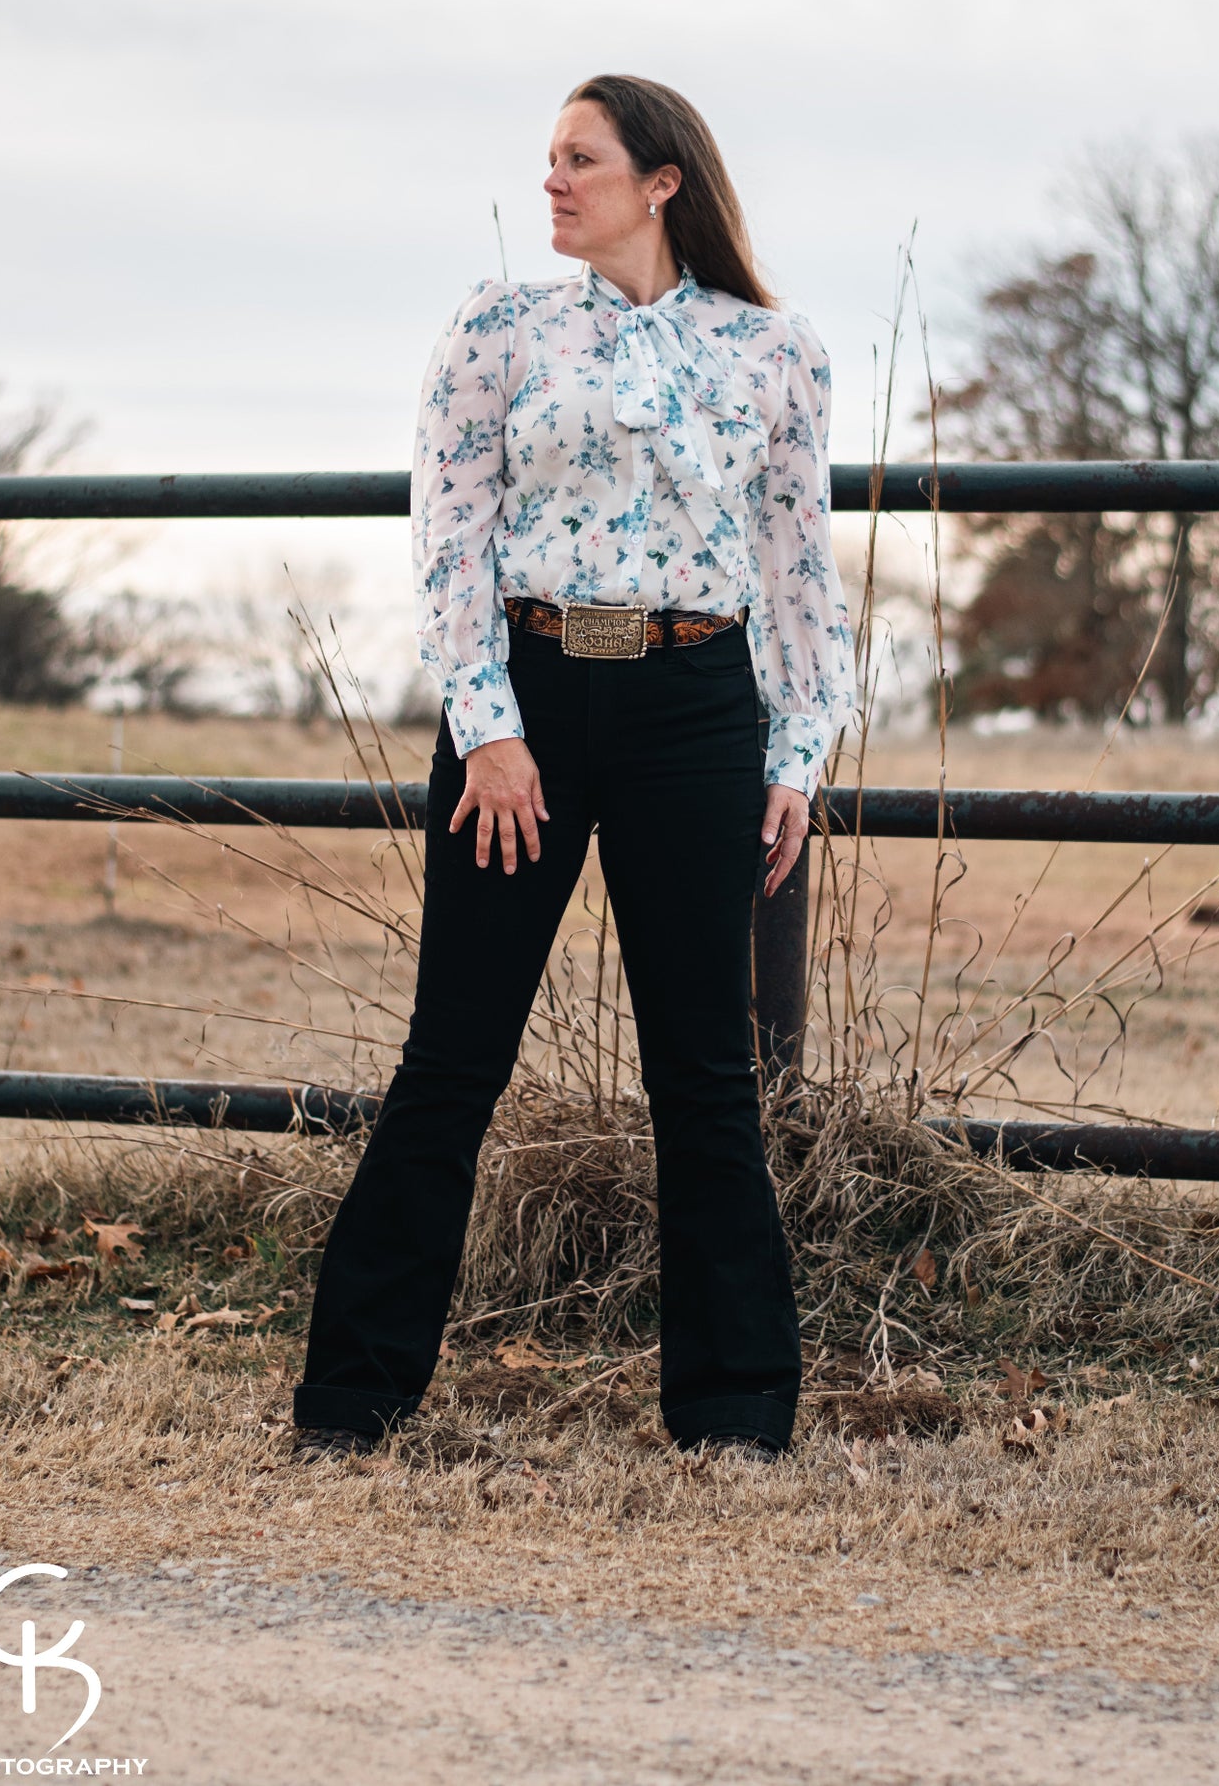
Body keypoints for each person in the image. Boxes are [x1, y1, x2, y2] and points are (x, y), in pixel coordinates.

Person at [290, 73, 856, 1466]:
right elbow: (450, 537)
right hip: (527, 704)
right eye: (547, 159)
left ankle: (732, 1413)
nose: (552, 180)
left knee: (705, 1073)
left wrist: (795, 751)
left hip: (696, 708)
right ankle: (352, 1400)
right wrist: (485, 725)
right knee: (451, 1059)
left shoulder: (773, 350)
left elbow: (797, 568)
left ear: (661, 182)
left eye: (579, 159)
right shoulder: (498, 327)